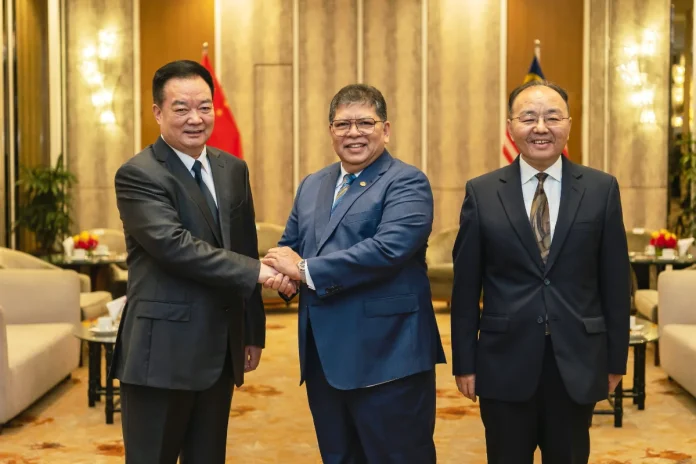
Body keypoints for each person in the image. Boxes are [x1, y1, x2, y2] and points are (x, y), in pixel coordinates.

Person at [112, 60, 291, 464]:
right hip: (161, 354)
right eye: (181, 108)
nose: (195, 118)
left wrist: (252, 329)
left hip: (219, 350)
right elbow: (175, 247)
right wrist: (263, 273)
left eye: (204, 107)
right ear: (158, 112)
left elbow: (243, 245)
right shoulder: (139, 174)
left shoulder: (232, 169)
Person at [262, 84, 445, 463]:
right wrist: (283, 275)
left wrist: (302, 269)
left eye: (365, 123)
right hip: (325, 359)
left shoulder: (406, 181)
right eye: (343, 124)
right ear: (331, 130)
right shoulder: (313, 184)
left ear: (386, 129)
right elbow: (288, 247)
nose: (354, 132)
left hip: (388, 358)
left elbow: (387, 249)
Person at [450, 80, 630, 463]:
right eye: (528, 117)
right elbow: (465, 289)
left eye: (552, 117)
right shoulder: (482, 193)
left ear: (569, 124)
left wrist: (616, 360)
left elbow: (615, 283)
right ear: (511, 126)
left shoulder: (601, 189)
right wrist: (464, 362)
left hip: (577, 360)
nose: (541, 127)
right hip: (503, 361)